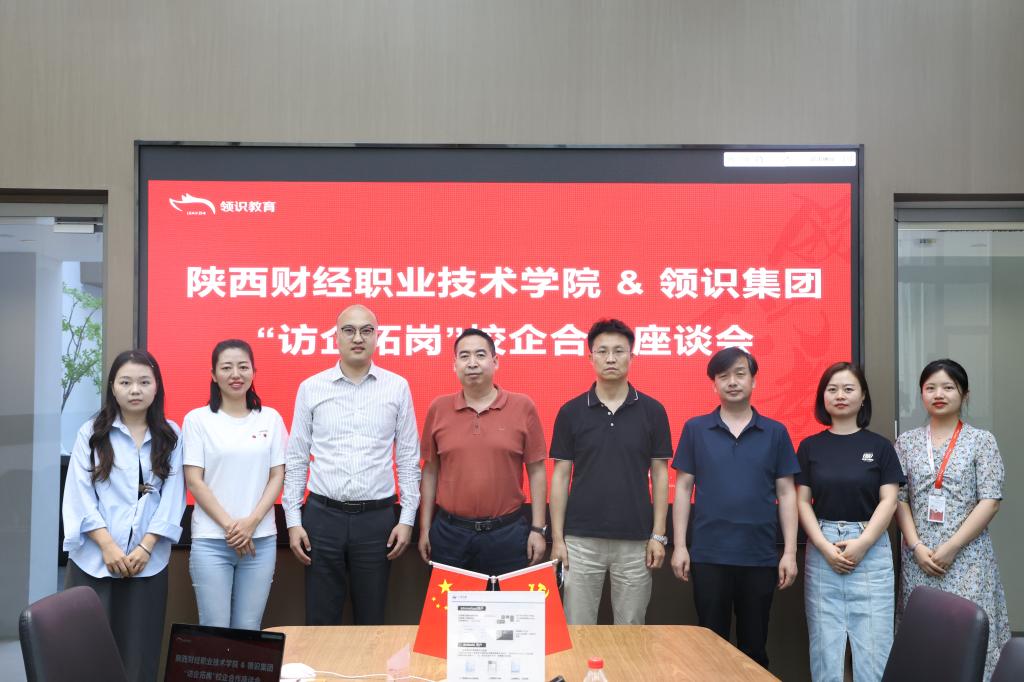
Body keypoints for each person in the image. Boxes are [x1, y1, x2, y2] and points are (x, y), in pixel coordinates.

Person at [283, 305, 421, 625]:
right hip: (322, 518)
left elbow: (407, 459)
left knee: (371, 620)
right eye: (349, 330)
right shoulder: (311, 387)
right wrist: (293, 520)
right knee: (320, 621)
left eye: (366, 330)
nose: (358, 338)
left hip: (377, 520)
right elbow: (297, 457)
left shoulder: (397, 387)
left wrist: (407, 519)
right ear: (336, 337)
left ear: (377, 336)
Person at [670, 346, 799, 668]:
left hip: (759, 556)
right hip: (709, 555)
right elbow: (683, 488)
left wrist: (790, 553)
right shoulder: (696, 429)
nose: (732, 382)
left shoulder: (775, 432)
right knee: (709, 647)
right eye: (723, 376)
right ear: (714, 384)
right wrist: (680, 546)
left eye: (740, 374)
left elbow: (787, 493)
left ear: (753, 381)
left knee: (753, 648)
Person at [62, 349, 186, 682]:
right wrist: (107, 546)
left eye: (144, 382)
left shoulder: (170, 435)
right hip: (94, 560)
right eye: (126, 382)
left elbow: (173, 498)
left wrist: (146, 547)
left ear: (157, 387)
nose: (135, 390)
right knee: (86, 652)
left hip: (147, 563)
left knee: (140, 656)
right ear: (113, 387)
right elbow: (79, 495)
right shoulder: (91, 432)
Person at [549, 318, 671, 624]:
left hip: (636, 541)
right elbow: (560, 477)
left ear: (632, 356)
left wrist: (659, 535)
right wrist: (558, 539)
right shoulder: (571, 412)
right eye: (602, 351)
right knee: (577, 627)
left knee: (631, 629)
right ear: (590, 357)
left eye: (619, 351)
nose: (611, 358)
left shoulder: (653, 411)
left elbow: (660, 475)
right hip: (580, 541)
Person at [894, 358, 1009, 680]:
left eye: (948, 387)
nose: (938, 394)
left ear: (964, 394)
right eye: (930, 388)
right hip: (919, 557)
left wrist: (953, 546)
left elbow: (990, 501)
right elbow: (899, 499)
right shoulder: (906, 442)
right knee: (923, 633)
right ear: (921, 393)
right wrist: (916, 546)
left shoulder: (981, 441)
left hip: (967, 556)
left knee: (969, 632)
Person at [796, 362, 905, 682]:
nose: (840, 395)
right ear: (823, 397)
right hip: (823, 547)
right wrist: (822, 546)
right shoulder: (810, 446)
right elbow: (802, 502)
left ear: (863, 396)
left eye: (848, 389)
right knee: (825, 650)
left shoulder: (880, 447)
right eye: (832, 389)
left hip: (870, 549)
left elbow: (890, 500)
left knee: (874, 651)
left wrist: (863, 543)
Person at [417, 328, 547, 576]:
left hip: (507, 534)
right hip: (450, 534)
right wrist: (424, 529)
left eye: (480, 355)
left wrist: (538, 529)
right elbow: (430, 471)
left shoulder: (522, 406)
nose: (472, 363)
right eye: (464, 356)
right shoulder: (439, 408)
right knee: (450, 602)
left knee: (506, 602)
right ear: (454, 365)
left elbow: (537, 471)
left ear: (495, 361)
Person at [183, 339, 286, 629]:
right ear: (214, 375)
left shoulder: (270, 419)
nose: (236, 374)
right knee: (214, 628)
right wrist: (233, 528)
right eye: (226, 368)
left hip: (260, 540)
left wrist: (251, 523)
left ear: (254, 371)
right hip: (211, 541)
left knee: (248, 628)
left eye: (243, 367)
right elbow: (194, 481)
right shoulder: (198, 420)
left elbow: (277, 475)